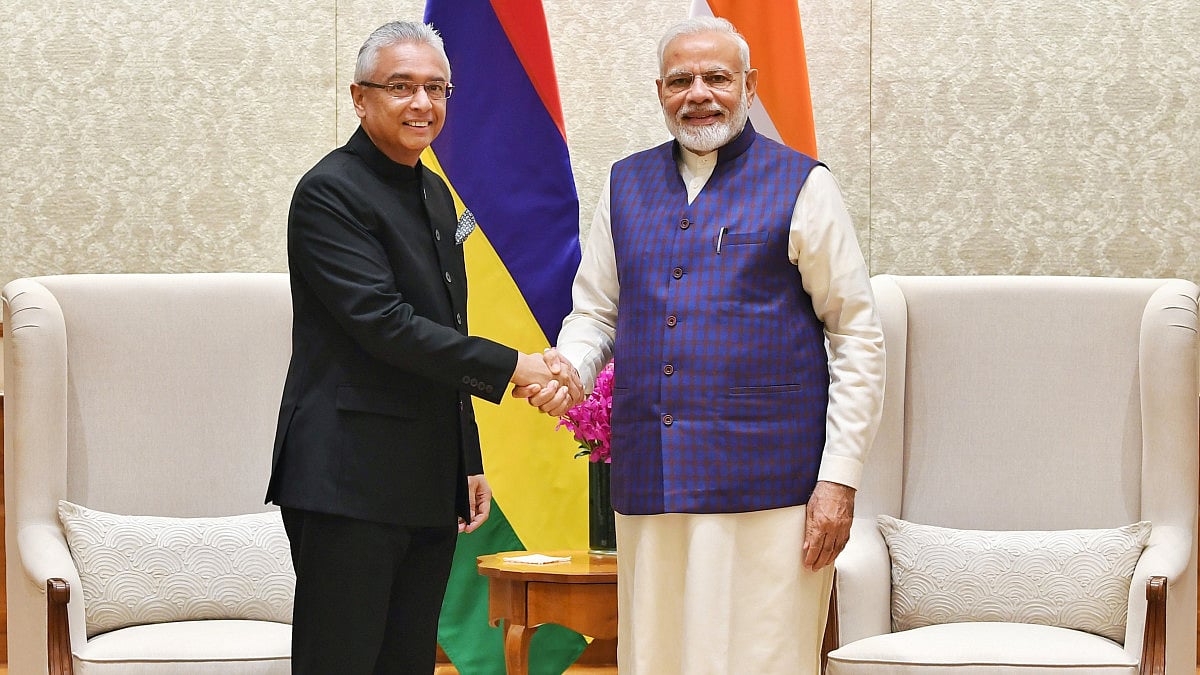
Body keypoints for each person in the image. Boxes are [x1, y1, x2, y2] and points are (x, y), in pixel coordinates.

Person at [521, 16, 885, 674]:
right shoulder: (624, 184)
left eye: (718, 77)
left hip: (772, 489)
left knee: (762, 658)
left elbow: (857, 334)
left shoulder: (804, 184)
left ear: (750, 85)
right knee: (656, 657)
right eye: (682, 79)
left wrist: (839, 480)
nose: (700, 93)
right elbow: (595, 312)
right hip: (652, 480)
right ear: (659, 90)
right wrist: (571, 369)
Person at [265, 21, 574, 674]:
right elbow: (387, 324)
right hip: (346, 478)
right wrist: (515, 365)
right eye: (401, 87)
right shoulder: (330, 193)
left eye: (436, 88)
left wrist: (467, 457)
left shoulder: (433, 192)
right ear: (359, 96)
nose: (422, 104)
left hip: (424, 478)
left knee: (407, 661)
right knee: (341, 661)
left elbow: (447, 327)